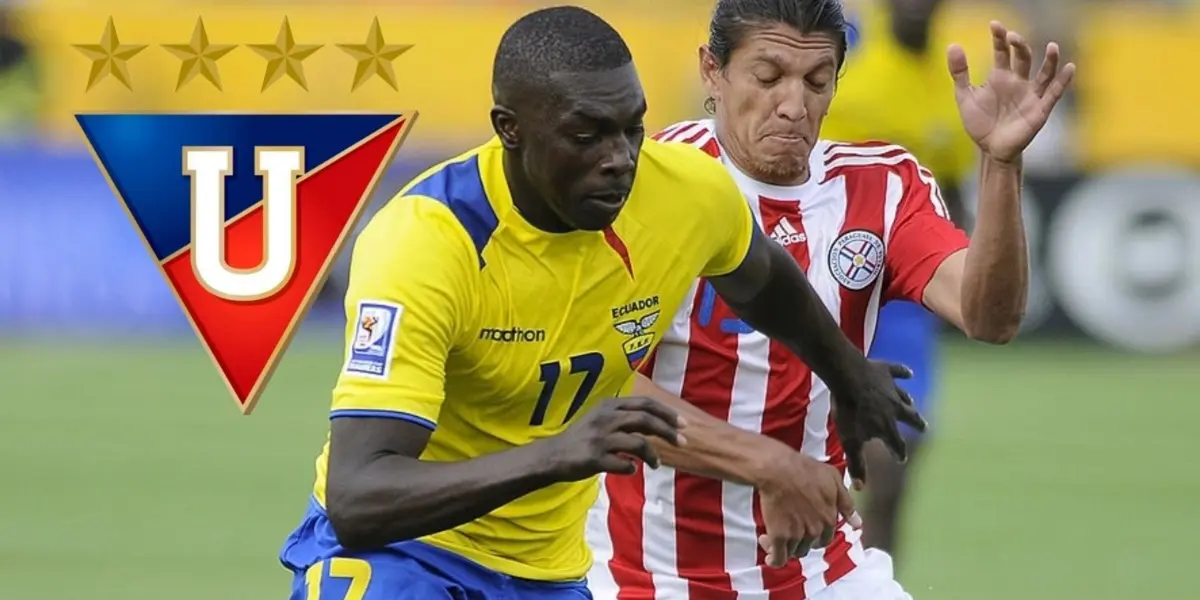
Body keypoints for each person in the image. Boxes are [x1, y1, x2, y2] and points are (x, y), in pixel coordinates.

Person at [278, 6, 923, 600]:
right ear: (510, 130)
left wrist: (848, 373)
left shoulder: (684, 193)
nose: (619, 159)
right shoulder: (426, 242)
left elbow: (767, 281)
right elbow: (359, 497)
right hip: (403, 556)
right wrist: (557, 454)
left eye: (632, 129)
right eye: (586, 135)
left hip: (550, 576)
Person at [586, 0, 1074, 598]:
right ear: (713, 71)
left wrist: (1001, 164)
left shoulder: (882, 185)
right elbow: (594, 387)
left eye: (817, 81)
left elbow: (990, 318)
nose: (794, 105)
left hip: (825, 572)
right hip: (643, 576)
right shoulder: (645, 183)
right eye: (769, 77)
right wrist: (770, 464)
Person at [822, 0, 978, 560]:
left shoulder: (949, 79)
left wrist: (965, 274)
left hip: (905, 305)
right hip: (834, 285)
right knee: (838, 463)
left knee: (897, 466)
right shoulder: (850, 66)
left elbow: (952, 192)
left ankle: (877, 581)